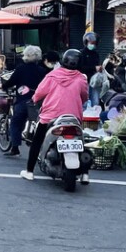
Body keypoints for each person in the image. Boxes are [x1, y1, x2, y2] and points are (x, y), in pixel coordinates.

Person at [22, 49, 88, 182]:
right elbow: (84, 96)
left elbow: (40, 93)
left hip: (51, 116)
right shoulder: (81, 78)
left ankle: (29, 171)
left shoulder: (52, 76)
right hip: (73, 117)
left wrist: (34, 99)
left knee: (37, 141)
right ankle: (85, 174)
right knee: (80, 141)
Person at [0, 45, 48, 157]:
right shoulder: (41, 70)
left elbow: (11, 81)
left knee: (16, 123)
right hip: (37, 102)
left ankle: (15, 148)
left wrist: (3, 86)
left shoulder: (21, 69)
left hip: (22, 101)